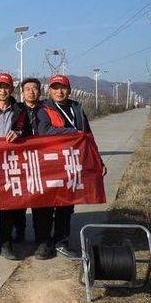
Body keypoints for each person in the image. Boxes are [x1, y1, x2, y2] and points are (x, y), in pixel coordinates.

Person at [34, 74, 102, 259]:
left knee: (66, 203)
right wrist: (72, 132)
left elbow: (88, 136)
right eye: (55, 87)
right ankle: (44, 242)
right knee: (45, 204)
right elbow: (45, 131)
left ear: (69, 90)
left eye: (62, 87)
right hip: (48, 164)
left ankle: (61, 241)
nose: (59, 91)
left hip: (71, 164)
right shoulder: (43, 109)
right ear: (50, 90)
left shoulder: (77, 109)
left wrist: (98, 160)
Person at [0, 73, 32, 261]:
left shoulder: (20, 110)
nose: (2, 90)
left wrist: (19, 132)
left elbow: (29, 132)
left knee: (8, 203)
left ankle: (6, 243)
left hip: (11, 162)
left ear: (11, 89)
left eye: (6, 86)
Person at [15, 77, 44, 244]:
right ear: (22, 92)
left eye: (34, 89)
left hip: (41, 161)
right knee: (20, 199)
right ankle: (19, 233)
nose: (31, 92)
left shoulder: (47, 109)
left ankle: (41, 237)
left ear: (39, 92)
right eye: (27, 89)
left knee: (40, 200)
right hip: (20, 161)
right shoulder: (17, 110)